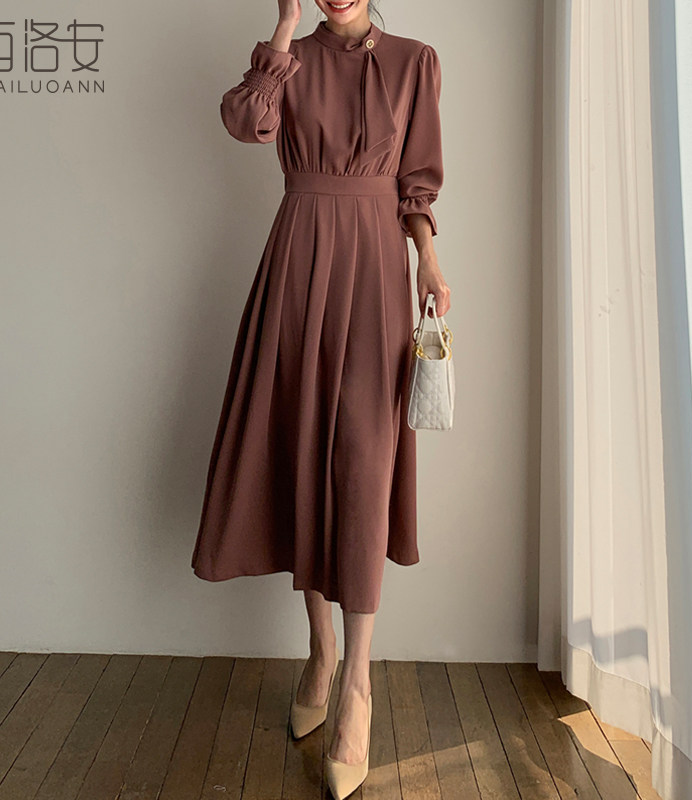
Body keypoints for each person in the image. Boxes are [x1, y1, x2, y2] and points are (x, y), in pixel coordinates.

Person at [191, 0, 450, 795]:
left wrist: (428, 260)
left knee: (364, 465)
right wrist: (283, 28)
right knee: (301, 445)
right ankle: (322, 651)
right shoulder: (292, 58)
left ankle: (358, 685)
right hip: (298, 260)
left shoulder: (415, 60)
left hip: (374, 268)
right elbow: (246, 122)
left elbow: (416, 181)